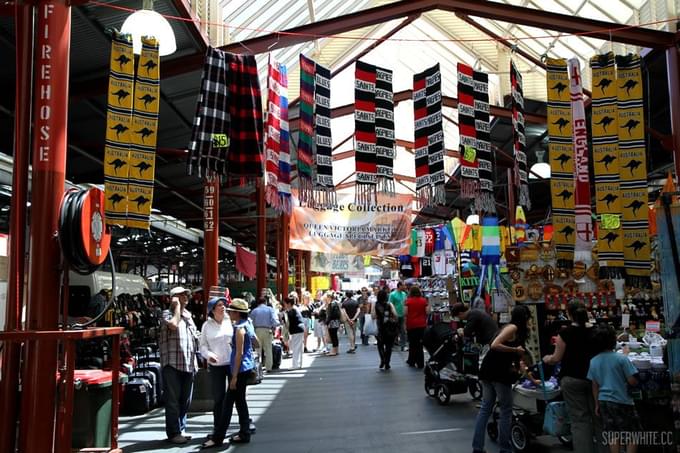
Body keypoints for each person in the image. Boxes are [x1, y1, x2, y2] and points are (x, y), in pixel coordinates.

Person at [543, 302, 603, 453]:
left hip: (572, 379)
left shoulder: (565, 333)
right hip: (595, 379)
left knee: (579, 420)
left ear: (569, 314)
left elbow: (556, 358)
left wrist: (547, 359)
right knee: (599, 417)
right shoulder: (596, 331)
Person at [472, 305, 532, 453]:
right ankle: (505, 448)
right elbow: (495, 345)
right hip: (498, 372)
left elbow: (516, 356)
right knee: (505, 410)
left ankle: (477, 447)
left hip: (489, 370)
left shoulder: (514, 329)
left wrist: (523, 370)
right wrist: (515, 350)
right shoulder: (512, 328)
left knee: (486, 408)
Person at [202, 298, 257, 449]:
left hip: (238, 369)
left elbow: (238, 354)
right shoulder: (247, 324)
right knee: (240, 401)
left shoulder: (239, 328)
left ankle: (218, 437)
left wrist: (234, 377)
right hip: (244, 368)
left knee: (227, 405)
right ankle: (244, 432)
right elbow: (256, 342)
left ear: (237, 313)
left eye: (231, 310)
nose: (228, 311)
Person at [588, 324, 641, 453]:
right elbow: (632, 381)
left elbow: (594, 385)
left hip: (604, 401)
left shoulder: (593, 361)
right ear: (613, 341)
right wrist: (627, 357)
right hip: (622, 400)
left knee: (613, 434)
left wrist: (596, 404)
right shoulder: (622, 359)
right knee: (633, 434)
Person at [160, 287, 200, 445]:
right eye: (182, 295)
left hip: (188, 363)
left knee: (185, 399)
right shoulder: (167, 314)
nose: (186, 296)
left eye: (186, 294)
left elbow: (195, 335)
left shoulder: (188, 316)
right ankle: (174, 432)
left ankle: (181, 428)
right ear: (173, 298)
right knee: (172, 400)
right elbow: (173, 325)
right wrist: (176, 308)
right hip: (172, 363)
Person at [199, 297, 233, 441]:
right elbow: (202, 346)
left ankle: (238, 425)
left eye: (223, 304)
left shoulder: (230, 321)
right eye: (219, 305)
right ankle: (218, 427)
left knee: (235, 396)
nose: (223, 307)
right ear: (212, 310)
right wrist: (208, 355)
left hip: (232, 365)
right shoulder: (206, 326)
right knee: (218, 398)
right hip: (216, 366)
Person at [372, 289, 399, 370]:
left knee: (380, 345)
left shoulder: (375, 304)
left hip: (380, 328)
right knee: (389, 346)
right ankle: (387, 362)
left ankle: (382, 359)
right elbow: (395, 315)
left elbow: (373, 316)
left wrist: (379, 316)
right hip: (390, 328)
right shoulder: (389, 304)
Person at [249, 297, 278, 372]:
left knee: (257, 350)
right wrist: (274, 327)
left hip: (257, 330)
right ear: (265, 302)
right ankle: (269, 367)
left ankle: (257, 367)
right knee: (268, 349)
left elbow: (250, 322)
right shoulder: (270, 309)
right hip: (267, 330)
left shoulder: (254, 311)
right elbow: (274, 320)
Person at [404, 286, 430, 368]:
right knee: (419, 344)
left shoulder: (408, 301)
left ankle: (411, 361)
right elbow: (428, 312)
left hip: (411, 324)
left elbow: (405, 313)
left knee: (412, 343)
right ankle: (420, 362)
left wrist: (404, 325)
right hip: (421, 325)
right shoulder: (424, 300)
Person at [282, 297, 305, 369]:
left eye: (285, 304)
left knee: (295, 348)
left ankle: (295, 365)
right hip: (299, 329)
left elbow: (288, 322)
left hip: (296, 330)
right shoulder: (295, 309)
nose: (284, 305)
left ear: (289, 304)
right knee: (298, 347)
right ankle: (299, 364)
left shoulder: (292, 311)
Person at [389, 282, 408, 351]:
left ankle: (403, 346)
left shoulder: (404, 294)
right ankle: (391, 345)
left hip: (402, 315)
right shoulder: (392, 294)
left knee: (403, 331)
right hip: (394, 315)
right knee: (393, 331)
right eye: (404, 285)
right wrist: (392, 314)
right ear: (399, 286)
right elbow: (390, 305)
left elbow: (405, 304)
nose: (405, 287)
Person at [325, 292, 342, 356]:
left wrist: (327, 322)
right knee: (335, 336)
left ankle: (334, 351)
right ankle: (336, 350)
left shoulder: (331, 304)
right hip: (336, 322)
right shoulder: (336, 303)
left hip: (332, 322)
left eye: (327, 297)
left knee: (333, 337)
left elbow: (330, 315)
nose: (326, 299)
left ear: (329, 297)